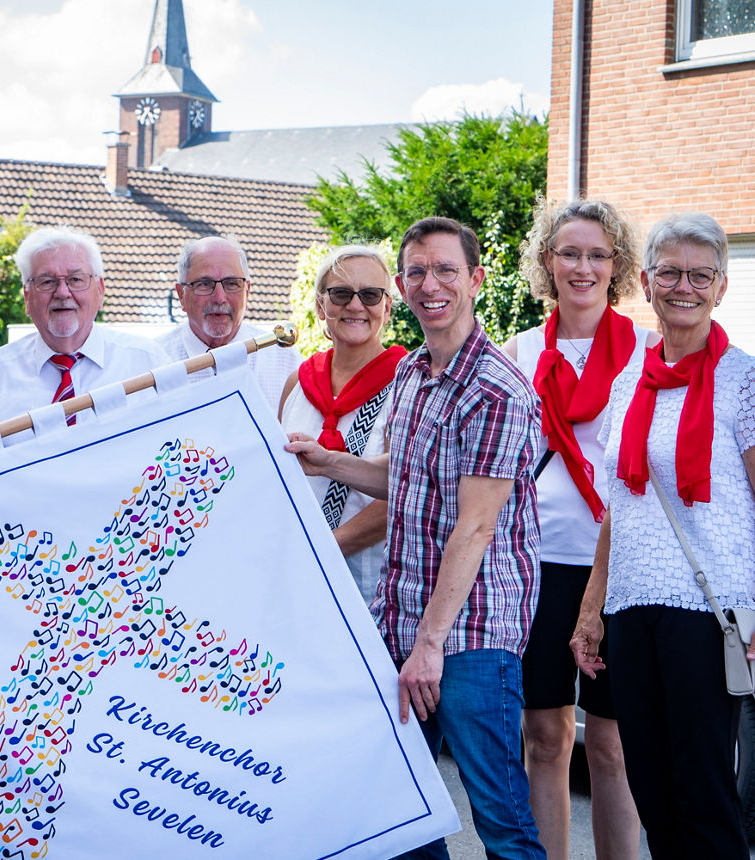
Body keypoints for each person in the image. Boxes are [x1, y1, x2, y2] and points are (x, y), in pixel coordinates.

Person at [286, 217, 545, 858]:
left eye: (446, 270)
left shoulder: (497, 389)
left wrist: (427, 647)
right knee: (407, 816)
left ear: (477, 280)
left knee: (502, 822)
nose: (432, 285)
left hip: (470, 635)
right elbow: (401, 478)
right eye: (418, 273)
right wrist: (329, 461)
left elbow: (476, 524)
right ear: (403, 286)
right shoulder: (412, 374)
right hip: (402, 626)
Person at [571, 212, 755, 857]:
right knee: (652, 790)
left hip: (709, 610)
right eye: (670, 272)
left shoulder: (745, 379)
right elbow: (620, 505)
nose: (685, 286)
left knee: (704, 792)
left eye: (700, 274)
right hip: (631, 606)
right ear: (646, 282)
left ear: (720, 287)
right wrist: (592, 610)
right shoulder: (631, 380)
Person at [502, 200, 648, 859]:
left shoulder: (648, 351)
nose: (582, 267)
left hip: (622, 564)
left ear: (616, 265)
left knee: (614, 742)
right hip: (536, 560)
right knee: (546, 736)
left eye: (596, 254)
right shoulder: (517, 352)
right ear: (547, 263)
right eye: (569, 253)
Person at [0, 226, 167, 441]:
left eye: (76, 279)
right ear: (27, 296)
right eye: (47, 281)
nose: (63, 292)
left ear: (100, 290)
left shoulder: (149, 364)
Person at [278, 245, 403, 601]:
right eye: (341, 293)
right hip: (298, 577)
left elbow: (403, 491)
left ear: (387, 307)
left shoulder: (407, 386)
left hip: (370, 586)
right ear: (321, 305)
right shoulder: (297, 384)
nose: (355, 305)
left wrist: (324, 550)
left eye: (370, 294)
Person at [157, 235, 300, 409]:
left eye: (231, 283)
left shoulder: (286, 362)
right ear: (181, 295)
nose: (219, 298)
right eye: (204, 284)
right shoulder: (155, 362)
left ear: (247, 292)